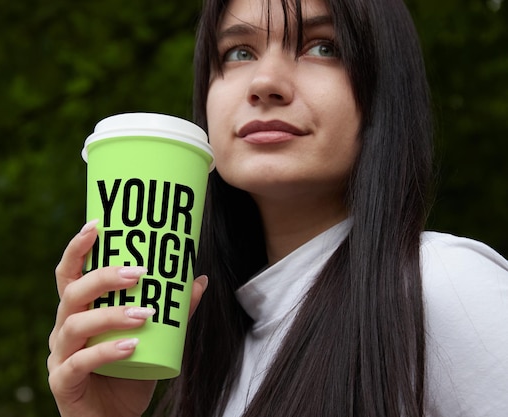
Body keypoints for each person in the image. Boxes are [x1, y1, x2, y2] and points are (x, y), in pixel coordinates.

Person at [47, 0, 508, 415]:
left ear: (383, 91)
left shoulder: (441, 284)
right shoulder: (220, 354)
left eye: (322, 47)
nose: (264, 83)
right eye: (238, 52)